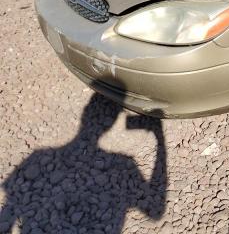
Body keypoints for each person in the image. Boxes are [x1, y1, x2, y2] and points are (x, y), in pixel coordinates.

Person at [0, 89, 166, 233]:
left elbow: (8, 210)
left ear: (83, 116)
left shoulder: (37, 157)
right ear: (112, 124)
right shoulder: (124, 164)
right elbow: (156, 211)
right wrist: (159, 139)